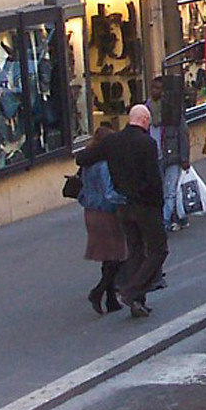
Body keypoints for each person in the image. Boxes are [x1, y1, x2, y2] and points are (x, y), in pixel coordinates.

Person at [76, 104, 166, 318]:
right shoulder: (147, 143)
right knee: (158, 250)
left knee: (135, 250)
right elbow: (153, 179)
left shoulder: (112, 141)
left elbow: (82, 159)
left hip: (124, 205)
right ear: (144, 120)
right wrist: (159, 205)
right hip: (145, 205)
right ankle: (132, 292)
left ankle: (137, 301)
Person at [77, 124, 127, 315]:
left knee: (108, 257)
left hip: (91, 212)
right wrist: (126, 199)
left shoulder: (87, 162)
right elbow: (109, 193)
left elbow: (82, 187)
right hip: (106, 213)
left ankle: (111, 299)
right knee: (118, 256)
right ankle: (98, 292)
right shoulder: (104, 165)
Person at [147, 76, 190, 231]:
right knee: (163, 190)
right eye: (152, 88)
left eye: (157, 88)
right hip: (155, 157)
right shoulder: (146, 110)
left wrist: (184, 158)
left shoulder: (172, 111)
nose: (154, 91)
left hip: (172, 156)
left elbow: (183, 135)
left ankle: (164, 221)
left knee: (170, 190)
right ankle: (179, 217)